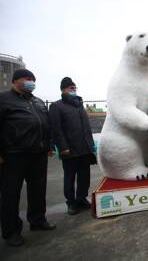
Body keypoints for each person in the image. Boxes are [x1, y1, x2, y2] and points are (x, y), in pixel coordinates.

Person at [0, 69, 56, 247]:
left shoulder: (37, 101)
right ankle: (11, 232)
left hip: (38, 154)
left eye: (33, 79)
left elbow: (46, 125)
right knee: (11, 194)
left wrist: (48, 146)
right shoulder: (3, 99)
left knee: (38, 190)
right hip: (13, 155)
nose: (31, 81)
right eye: (27, 78)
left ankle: (37, 220)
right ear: (15, 81)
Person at [49, 77, 96, 215]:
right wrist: (63, 147)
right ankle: (71, 203)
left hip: (84, 148)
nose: (74, 89)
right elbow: (56, 129)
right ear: (63, 90)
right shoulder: (56, 106)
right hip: (69, 149)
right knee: (69, 177)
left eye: (75, 87)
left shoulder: (79, 105)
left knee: (84, 176)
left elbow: (86, 127)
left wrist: (90, 145)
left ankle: (81, 198)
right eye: (71, 88)